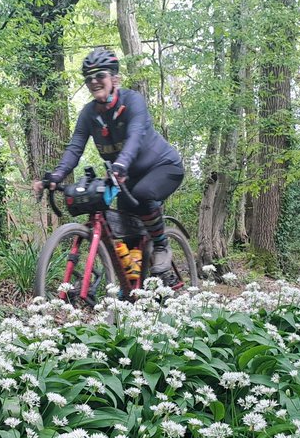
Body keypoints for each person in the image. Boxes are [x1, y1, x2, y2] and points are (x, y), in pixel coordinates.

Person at [34, 47, 186, 288]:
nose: (94, 81)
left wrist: (120, 164)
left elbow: (135, 136)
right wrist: (57, 175)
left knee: (144, 194)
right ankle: (133, 293)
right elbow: (75, 149)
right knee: (125, 234)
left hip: (163, 167)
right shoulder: (88, 114)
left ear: (115, 78)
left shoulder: (132, 101)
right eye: (89, 78)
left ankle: (161, 247)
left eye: (100, 75)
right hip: (126, 179)